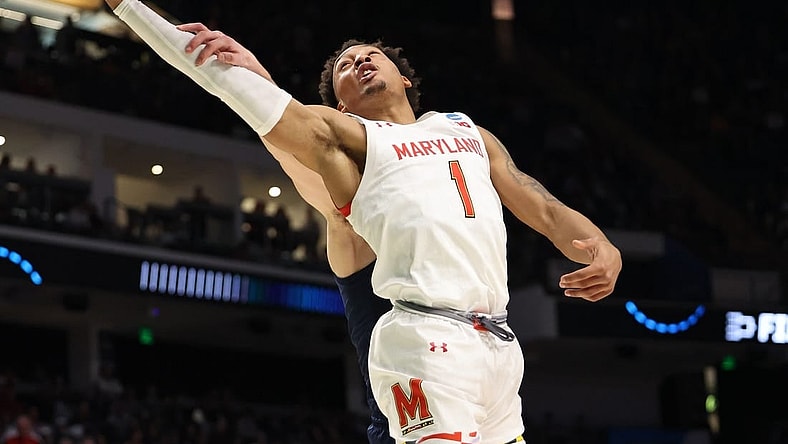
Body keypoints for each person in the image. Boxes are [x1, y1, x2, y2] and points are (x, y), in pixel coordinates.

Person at [104, 2, 623, 442]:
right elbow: (276, 122)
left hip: (497, 344)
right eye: (345, 67)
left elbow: (545, 207)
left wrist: (602, 247)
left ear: (404, 77)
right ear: (339, 104)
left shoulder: (467, 132)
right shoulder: (351, 155)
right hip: (423, 340)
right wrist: (132, 9)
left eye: (370, 56)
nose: (360, 62)